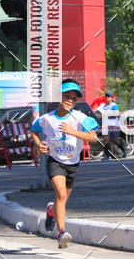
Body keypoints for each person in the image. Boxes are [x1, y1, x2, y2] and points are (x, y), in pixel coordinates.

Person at [30, 79, 99, 248]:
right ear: (58, 97)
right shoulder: (47, 119)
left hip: (73, 163)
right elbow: (34, 130)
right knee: (60, 195)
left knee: (62, 200)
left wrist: (72, 131)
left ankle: (51, 211)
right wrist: (39, 145)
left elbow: (94, 137)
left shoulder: (81, 118)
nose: (70, 100)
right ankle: (62, 232)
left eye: (74, 99)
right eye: (66, 96)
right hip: (55, 162)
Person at [99, 92, 125, 160]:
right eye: (106, 97)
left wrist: (107, 114)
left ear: (111, 98)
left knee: (115, 140)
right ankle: (106, 156)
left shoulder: (114, 105)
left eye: (108, 97)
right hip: (106, 125)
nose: (107, 98)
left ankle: (123, 149)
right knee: (105, 140)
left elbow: (117, 114)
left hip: (114, 125)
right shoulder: (104, 106)